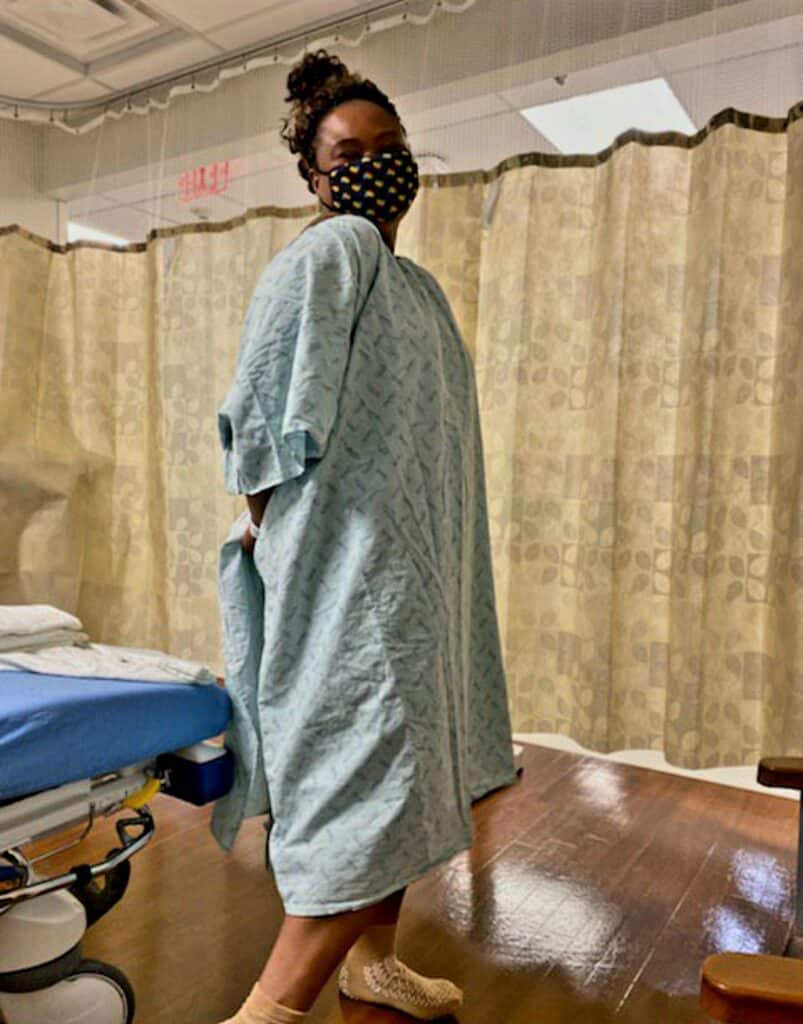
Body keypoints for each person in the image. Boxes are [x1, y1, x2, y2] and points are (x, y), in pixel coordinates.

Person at [215, 49, 515, 1024]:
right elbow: (261, 424)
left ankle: (371, 961)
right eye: (350, 152)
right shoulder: (331, 251)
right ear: (314, 177)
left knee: (405, 778)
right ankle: (268, 1009)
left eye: (392, 147)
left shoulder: (415, 289)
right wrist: (292, 552)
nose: (377, 165)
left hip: (413, 577)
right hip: (349, 583)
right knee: (364, 794)